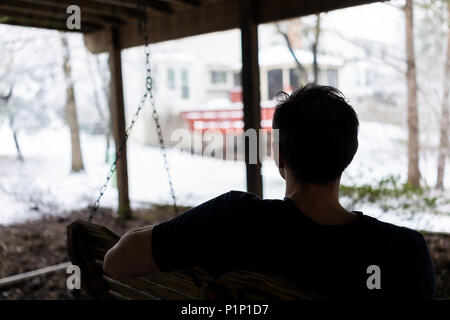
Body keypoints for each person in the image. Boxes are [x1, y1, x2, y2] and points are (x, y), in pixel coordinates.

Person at [103, 84, 435, 299]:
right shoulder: (404, 253)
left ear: (279, 156)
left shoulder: (231, 220)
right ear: (349, 154)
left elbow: (116, 262)